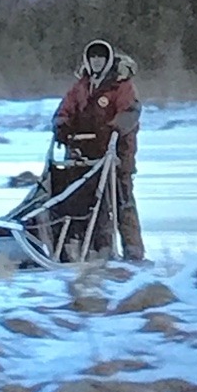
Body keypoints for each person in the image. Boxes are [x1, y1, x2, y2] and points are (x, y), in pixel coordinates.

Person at [51, 38, 145, 261]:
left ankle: (133, 251)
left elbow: (130, 112)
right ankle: (100, 249)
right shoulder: (81, 87)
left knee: (122, 200)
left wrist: (112, 130)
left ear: (108, 60)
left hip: (118, 153)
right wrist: (61, 125)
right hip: (87, 154)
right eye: (92, 57)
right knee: (92, 201)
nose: (96, 62)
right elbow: (65, 109)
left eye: (100, 58)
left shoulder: (121, 85)